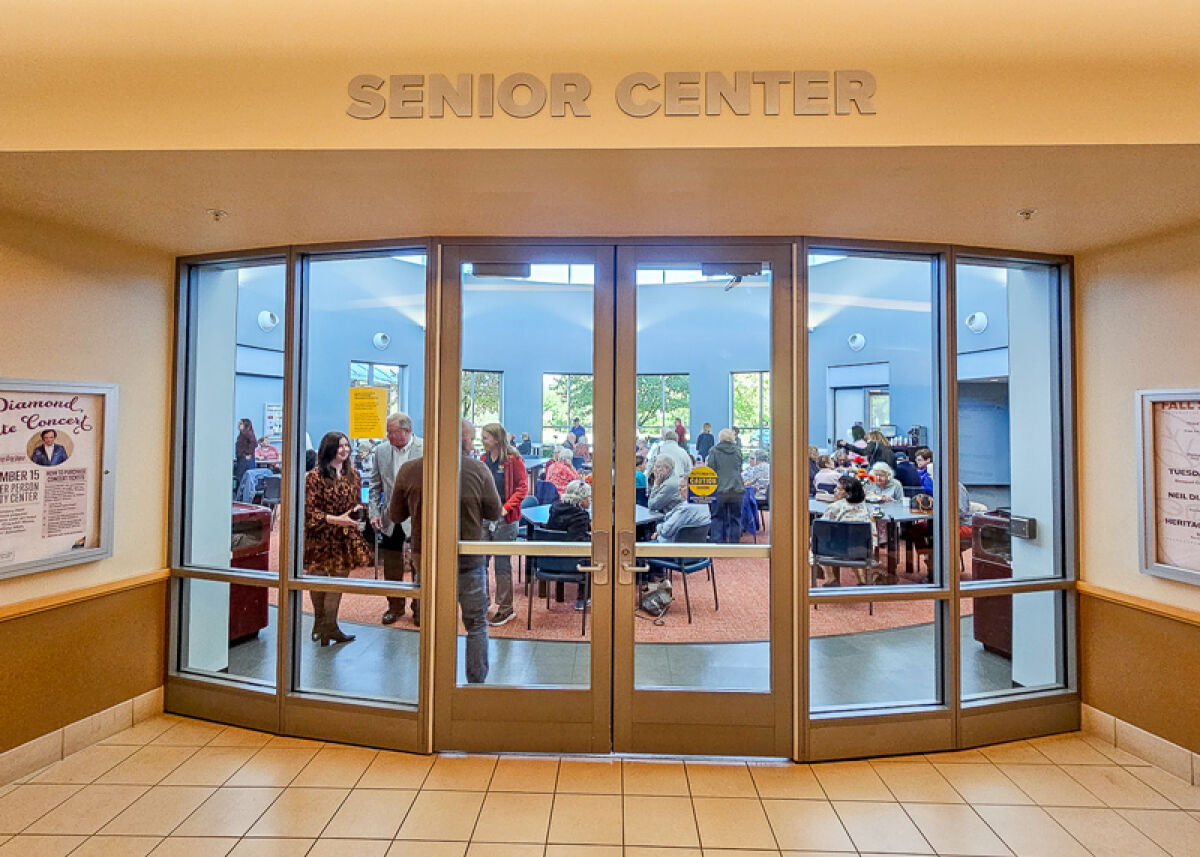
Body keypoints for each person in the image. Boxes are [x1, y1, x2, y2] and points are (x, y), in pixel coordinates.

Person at [304, 431, 371, 645]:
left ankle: (329, 626)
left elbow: (357, 502)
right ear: (329, 449)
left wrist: (359, 511)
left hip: (344, 536)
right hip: (320, 536)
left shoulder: (354, 475)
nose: (345, 450)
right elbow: (309, 512)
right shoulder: (314, 476)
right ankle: (321, 623)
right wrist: (337, 519)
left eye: (347, 446)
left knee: (338, 581)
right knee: (319, 580)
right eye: (340, 446)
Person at [456, 419, 502, 683]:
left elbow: (396, 512)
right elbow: (494, 511)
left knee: (431, 622)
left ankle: (432, 688)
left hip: (428, 559)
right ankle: (475, 686)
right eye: (472, 438)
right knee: (475, 625)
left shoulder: (416, 467)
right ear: (464, 440)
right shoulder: (477, 468)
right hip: (469, 558)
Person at [369, 412, 424, 626]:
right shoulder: (381, 451)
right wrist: (374, 512)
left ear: (407, 431)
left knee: (419, 564)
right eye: (388, 431)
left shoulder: (425, 447)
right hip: (390, 518)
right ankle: (395, 606)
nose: (388, 435)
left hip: (418, 517)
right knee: (392, 565)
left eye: (392, 432)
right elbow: (375, 486)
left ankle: (419, 606)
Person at [479, 421, 529, 626]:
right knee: (480, 562)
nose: (482, 441)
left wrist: (506, 507)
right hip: (484, 518)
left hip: (505, 519)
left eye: (485, 437)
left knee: (501, 563)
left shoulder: (513, 460)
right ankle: (482, 603)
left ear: (497, 439)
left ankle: (506, 608)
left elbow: (522, 488)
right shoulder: (483, 459)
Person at [816, 474, 876, 585]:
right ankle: (861, 580)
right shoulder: (865, 508)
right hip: (863, 550)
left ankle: (830, 578)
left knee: (815, 540)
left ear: (848, 494)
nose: (834, 490)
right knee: (853, 540)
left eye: (838, 489)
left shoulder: (835, 507)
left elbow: (822, 528)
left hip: (839, 550)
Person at [546, 479, 593, 610]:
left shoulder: (555, 508)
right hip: (573, 562)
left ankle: (561, 595)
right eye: (589, 497)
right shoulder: (581, 516)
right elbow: (579, 542)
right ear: (581, 499)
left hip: (552, 560)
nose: (590, 501)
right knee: (592, 553)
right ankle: (582, 599)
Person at [706, 428, 745, 543]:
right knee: (735, 519)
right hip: (737, 489)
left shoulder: (713, 451)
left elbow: (710, 470)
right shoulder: (738, 451)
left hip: (720, 489)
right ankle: (734, 545)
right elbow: (739, 468)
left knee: (717, 518)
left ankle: (717, 545)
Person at [234, 418, 257, 488]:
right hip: (241, 458)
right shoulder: (241, 434)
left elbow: (254, 443)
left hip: (246, 459)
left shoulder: (247, 433)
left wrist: (248, 453)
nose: (238, 425)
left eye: (241, 423)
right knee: (241, 478)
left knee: (244, 478)